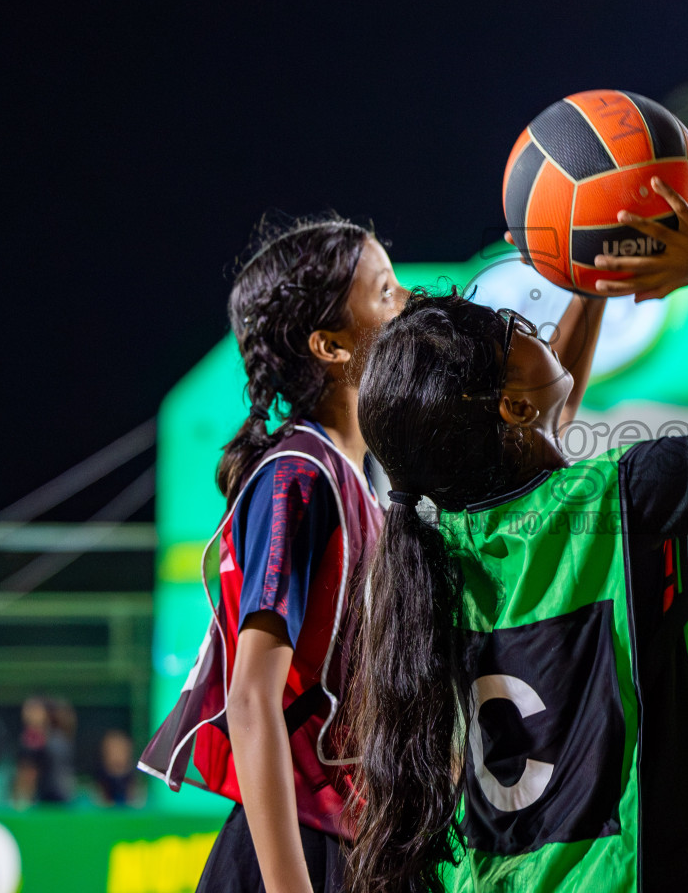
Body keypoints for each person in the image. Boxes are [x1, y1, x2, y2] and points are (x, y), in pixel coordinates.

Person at [347, 178, 688, 893]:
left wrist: (586, 276)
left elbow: (533, 443)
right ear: (508, 403)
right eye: (517, 332)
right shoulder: (625, 494)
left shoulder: (440, 546)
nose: (533, 327)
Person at [142, 215, 510, 893]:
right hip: (299, 854)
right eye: (385, 292)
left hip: (356, 844)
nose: (408, 302)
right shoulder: (299, 476)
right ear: (332, 345)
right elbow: (251, 697)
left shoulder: (357, 480)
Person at [95, 729, 141, 806]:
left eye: (120, 749)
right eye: (112, 750)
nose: (116, 755)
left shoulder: (139, 790)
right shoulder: (95, 791)